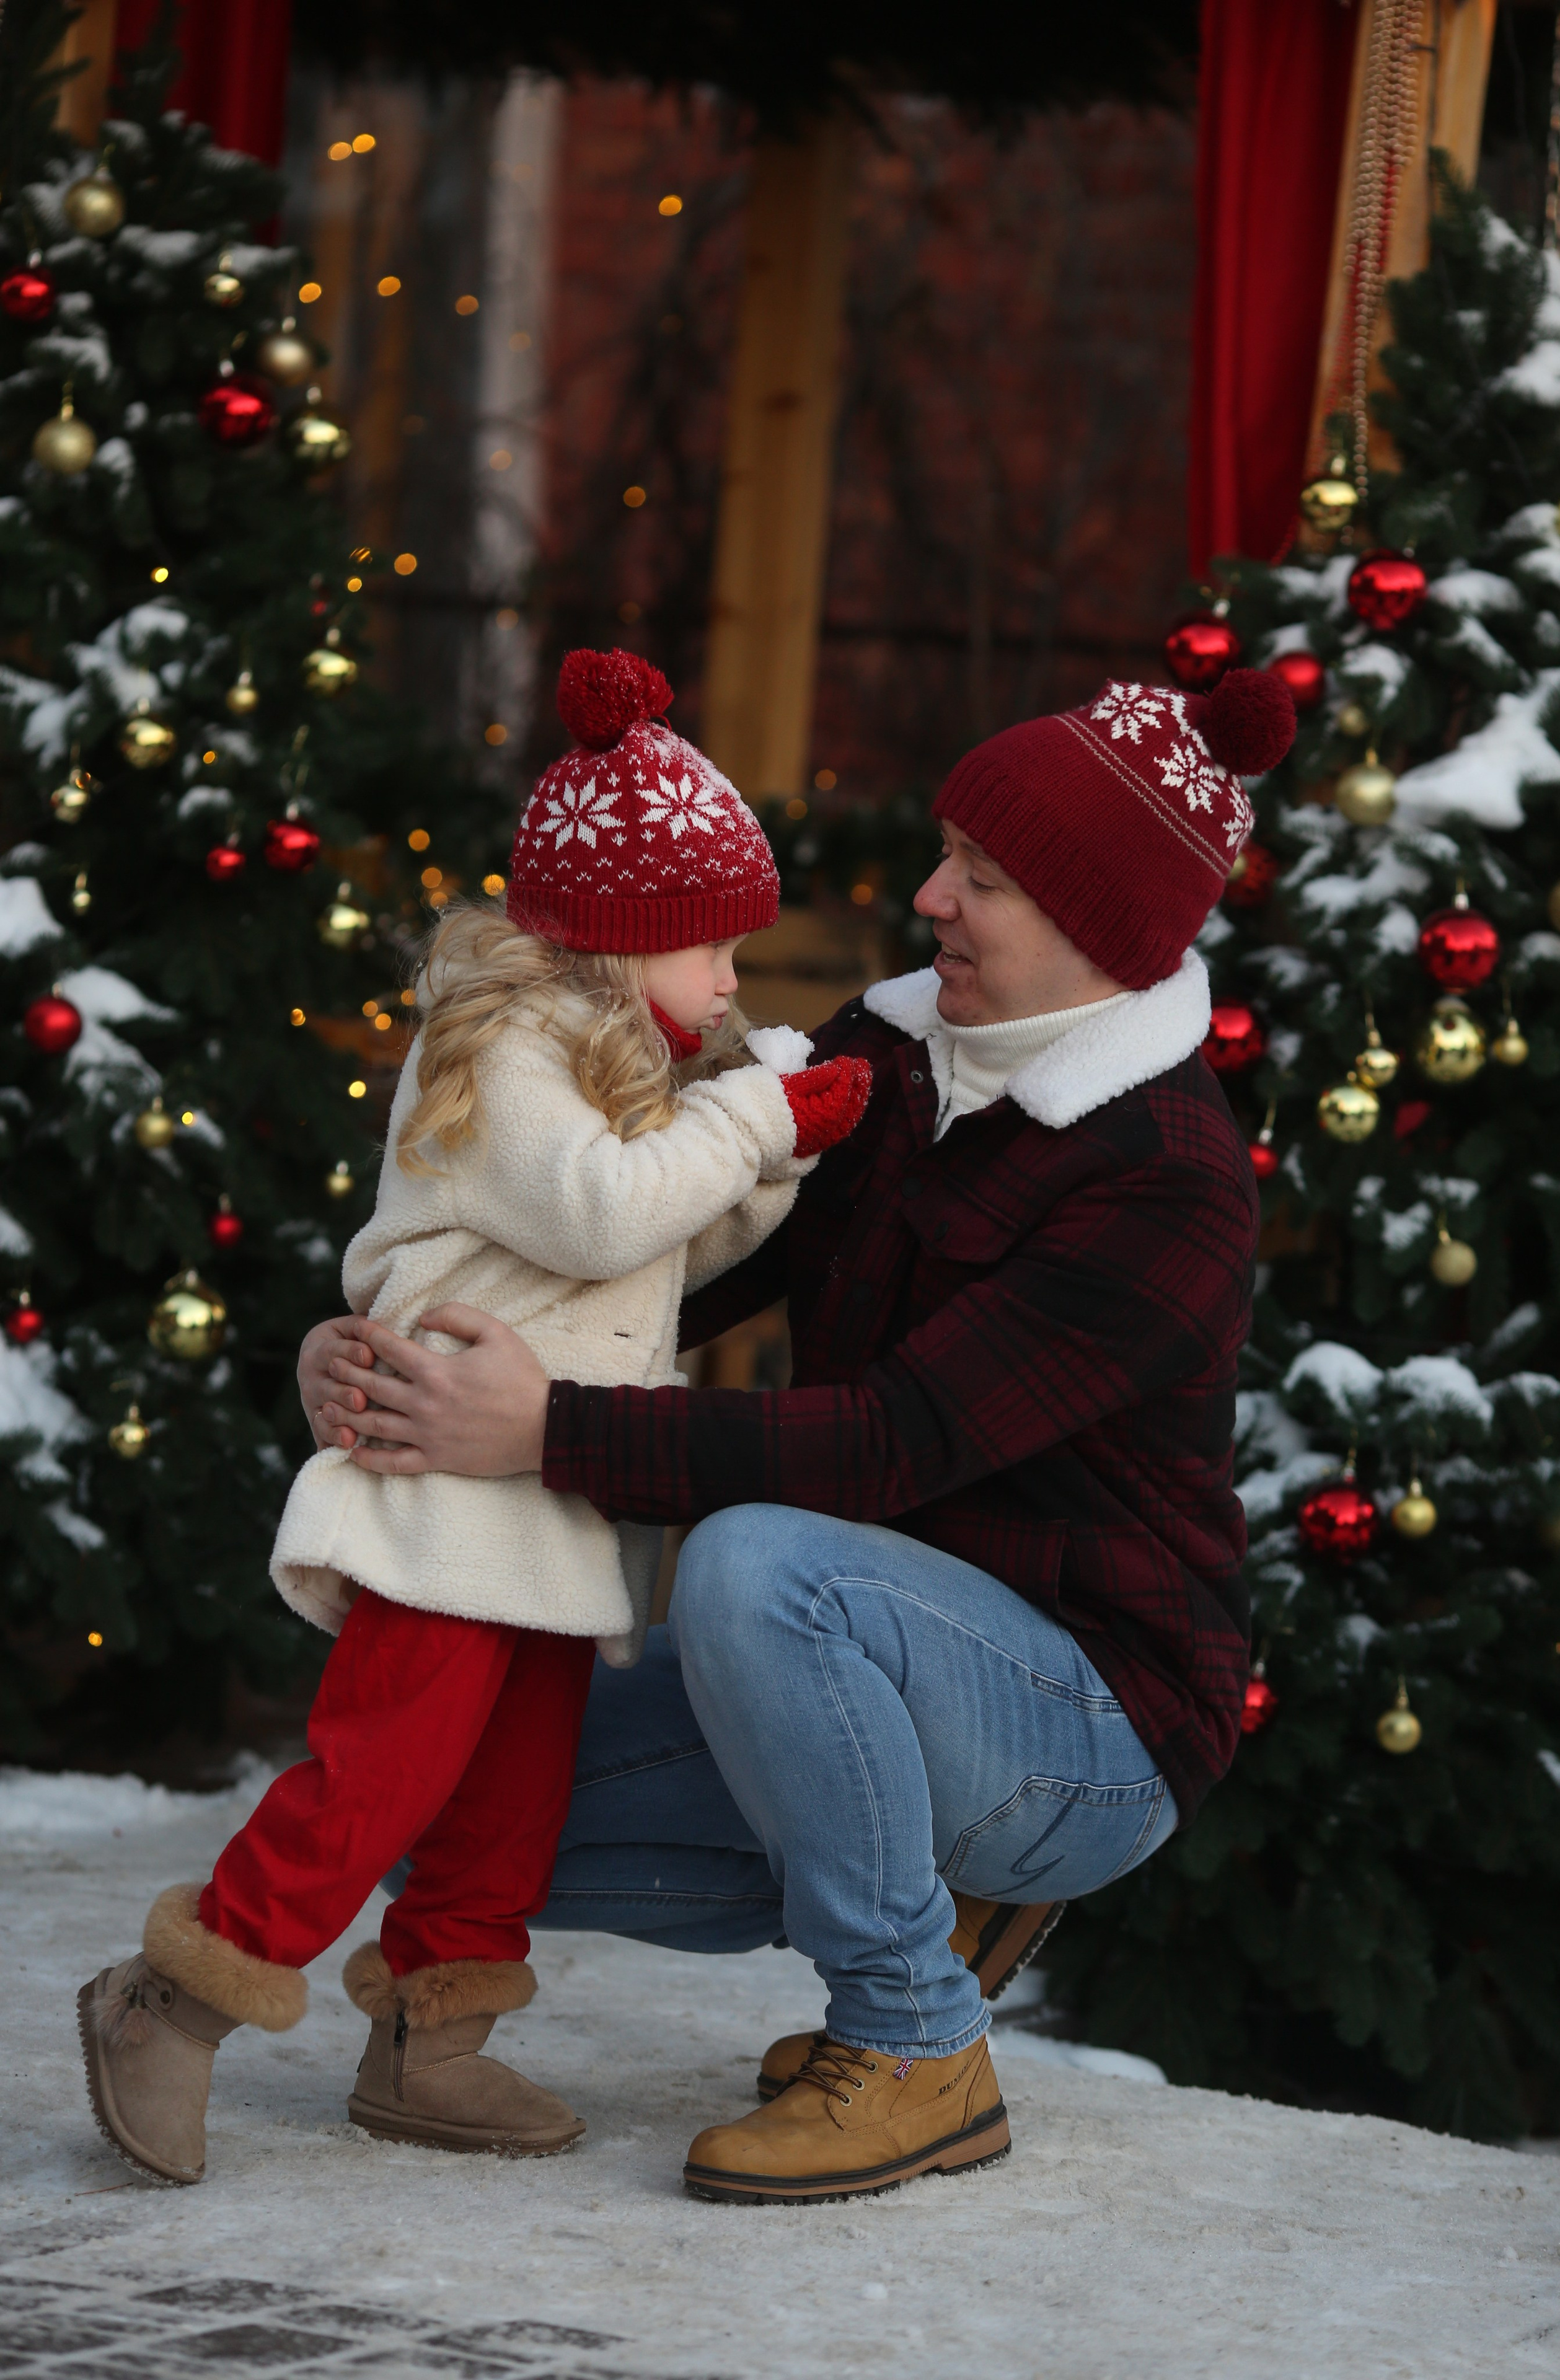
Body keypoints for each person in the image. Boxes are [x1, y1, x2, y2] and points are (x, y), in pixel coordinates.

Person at [304, 665, 1297, 2205]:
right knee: (429, 1798)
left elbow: (890, 1447)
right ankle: (912, 1897)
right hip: (846, 1670)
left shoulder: (1163, 1172)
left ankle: (909, 2036)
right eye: (947, 857)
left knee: (758, 1566)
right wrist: (397, 1357)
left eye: (982, 878)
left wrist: (545, 1434)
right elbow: (640, 1259)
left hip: (1087, 1716)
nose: (928, 900)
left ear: (1101, 928)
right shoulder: (892, 1061)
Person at [75, 649, 871, 2188]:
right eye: (713, 955)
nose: (729, 990)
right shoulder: (505, 1053)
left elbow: (655, 1251)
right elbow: (594, 1214)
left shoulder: (613, 1077)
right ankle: (169, 2003)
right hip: (446, 1498)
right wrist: (755, 1113)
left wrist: (766, 1171)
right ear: (625, 945)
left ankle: (430, 2043)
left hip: (545, 1516)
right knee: (379, 1775)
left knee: (504, 1810)